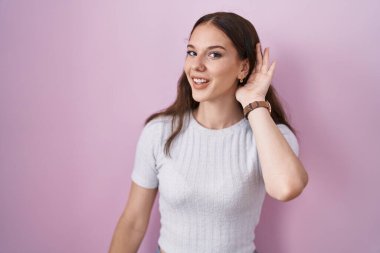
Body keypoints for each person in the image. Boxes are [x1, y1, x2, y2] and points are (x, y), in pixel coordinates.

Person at [108, 11, 309, 253]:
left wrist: (253, 102)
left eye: (214, 54)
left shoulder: (269, 136)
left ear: (243, 67)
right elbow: (132, 223)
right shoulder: (159, 133)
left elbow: (286, 187)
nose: (196, 65)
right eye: (192, 52)